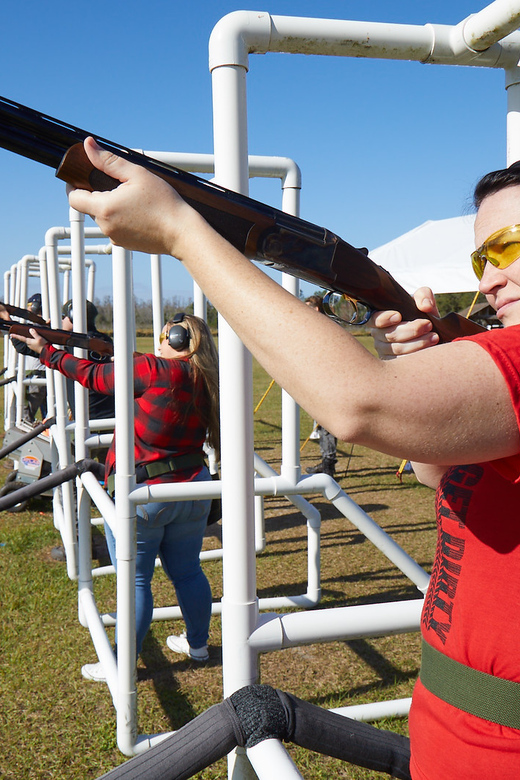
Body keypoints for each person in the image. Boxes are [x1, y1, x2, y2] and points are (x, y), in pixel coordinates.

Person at [67, 138, 520, 778]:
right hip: (453, 734)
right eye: (483, 256)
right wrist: (419, 367)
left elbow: (357, 406)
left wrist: (182, 231)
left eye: (509, 247)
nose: (490, 277)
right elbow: (438, 473)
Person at [18, 312, 220, 680]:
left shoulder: (156, 369)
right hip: (194, 490)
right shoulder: (206, 378)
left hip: (147, 495)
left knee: (135, 580)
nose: (158, 340)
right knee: (189, 572)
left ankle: (121, 664)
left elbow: (93, 378)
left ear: (176, 340)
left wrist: (46, 351)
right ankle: (198, 645)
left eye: (164, 335)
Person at [60, 298, 116, 422]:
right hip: (110, 411)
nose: (61, 320)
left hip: (88, 415)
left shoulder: (73, 344)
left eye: (63, 316)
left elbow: (24, 348)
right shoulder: (105, 340)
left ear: (73, 316)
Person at [304, 294, 338, 477]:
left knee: (327, 425)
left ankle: (328, 465)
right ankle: (326, 461)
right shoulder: (316, 328)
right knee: (322, 424)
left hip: (331, 383)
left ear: (316, 309)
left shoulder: (326, 328)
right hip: (319, 381)